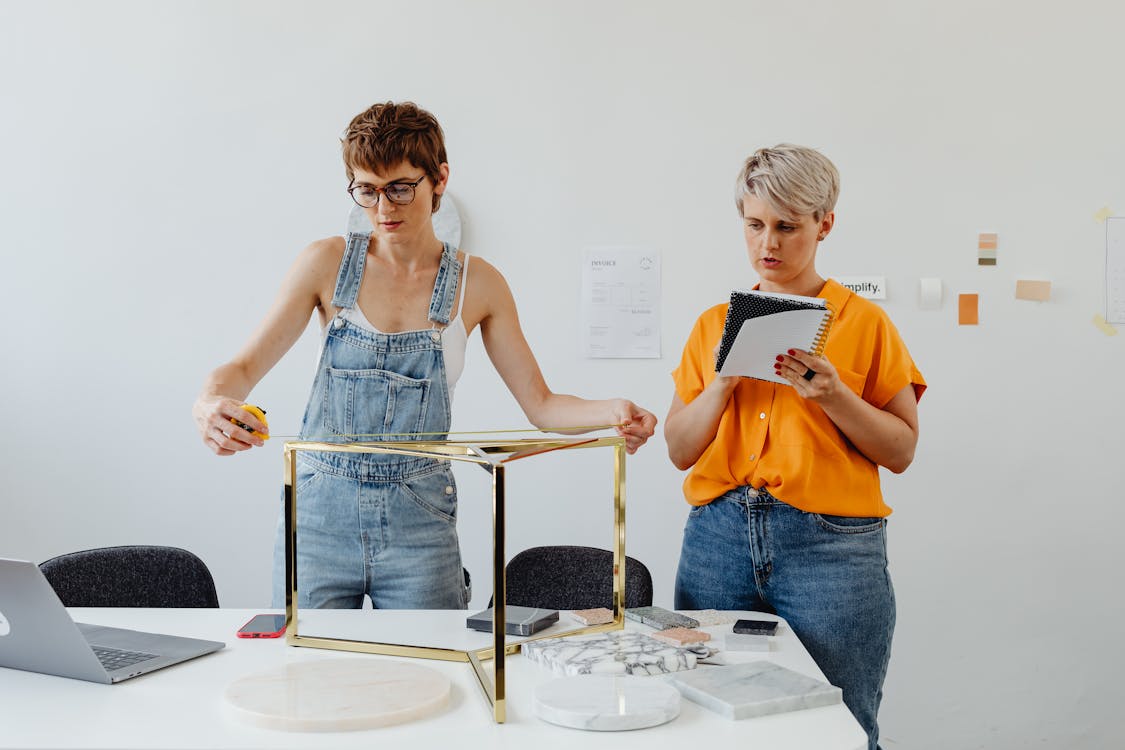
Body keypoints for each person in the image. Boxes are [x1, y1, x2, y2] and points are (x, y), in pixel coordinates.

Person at [192, 101, 657, 610]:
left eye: (399, 188)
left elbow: (541, 405)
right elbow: (241, 368)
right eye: (367, 190)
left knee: (433, 675)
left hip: (420, 523)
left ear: (439, 179)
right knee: (313, 678)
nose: (383, 208)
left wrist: (611, 411)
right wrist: (211, 402)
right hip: (320, 520)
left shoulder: (479, 284)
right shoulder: (324, 265)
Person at [664, 144, 925, 750]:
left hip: (832, 550)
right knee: (707, 716)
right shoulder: (711, 325)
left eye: (787, 226)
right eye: (755, 225)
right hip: (717, 540)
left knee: (841, 724)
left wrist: (834, 395)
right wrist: (724, 380)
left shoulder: (865, 324)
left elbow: (903, 450)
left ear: (824, 224)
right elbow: (679, 450)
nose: (768, 244)